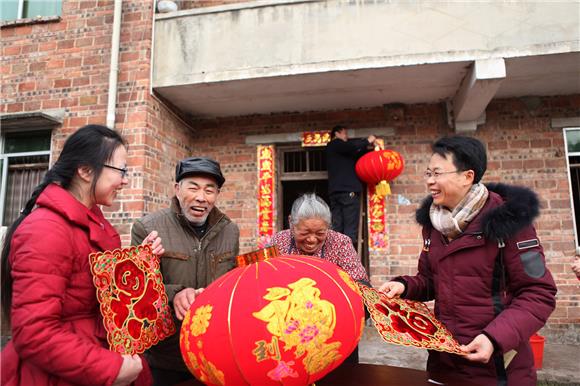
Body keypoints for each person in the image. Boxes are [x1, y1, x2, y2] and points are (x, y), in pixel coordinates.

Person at [379, 136, 557, 386]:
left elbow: (539, 293)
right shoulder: (434, 224)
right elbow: (431, 280)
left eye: (438, 173)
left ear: (468, 176)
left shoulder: (511, 222)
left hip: (496, 367)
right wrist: (404, 286)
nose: (430, 181)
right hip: (445, 363)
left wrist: (494, 339)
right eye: (428, 173)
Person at [0, 124, 164, 386]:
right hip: (59, 372)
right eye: (120, 171)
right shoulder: (45, 230)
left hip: (92, 358)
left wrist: (137, 264)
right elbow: (34, 332)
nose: (124, 181)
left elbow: (97, 293)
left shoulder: (92, 222)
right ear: (85, 171)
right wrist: (111, 368)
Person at [131, 156, 239, 386]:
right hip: (167, 355)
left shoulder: (230, 231)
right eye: (194, 188)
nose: (202, 197)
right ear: (177, 189)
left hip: (214, 351)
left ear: (217, 195)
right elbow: (136, 289)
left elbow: (231, 281)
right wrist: (175, 293)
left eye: (210, 190)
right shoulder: (148, 228)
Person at [326, 125, 376, 247]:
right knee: (350, 227)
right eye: (344, 134)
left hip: (335, 193)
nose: (346, 137)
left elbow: (354, 151)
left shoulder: (339, 152)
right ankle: (347, 257)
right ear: (336, 134)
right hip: (347, 191)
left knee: (337, 226)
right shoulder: (336, 144)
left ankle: (336, 256)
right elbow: (352, 146)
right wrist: (367, 141)